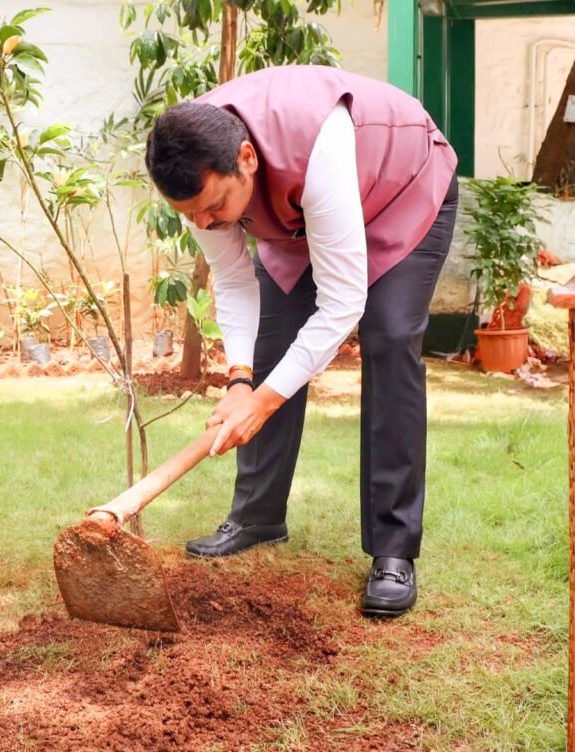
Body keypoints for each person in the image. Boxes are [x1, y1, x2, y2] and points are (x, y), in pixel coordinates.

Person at [145, 65, 458, 618]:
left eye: (215, 208)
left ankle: (393, 549)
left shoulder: (317, 147)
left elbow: (342, 303)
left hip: (402, 190)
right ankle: (258, 516)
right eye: (191, 215)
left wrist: (263, 402)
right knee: (270, 340)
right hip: (306, 213)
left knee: (388, 339)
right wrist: (240, 382)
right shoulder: (195, 169)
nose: (206, 222)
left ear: (246, 158)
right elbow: (234, 282)